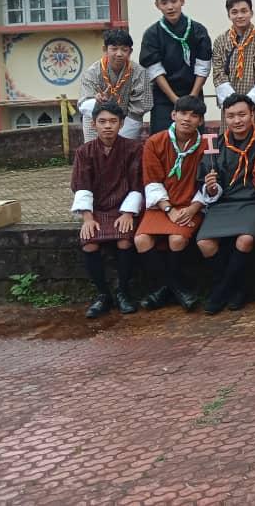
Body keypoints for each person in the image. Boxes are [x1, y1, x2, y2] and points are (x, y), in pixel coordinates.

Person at [195, 94, 255, 315]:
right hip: (224, 202)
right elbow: (209, 186)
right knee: (205, 243)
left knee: (245, 239)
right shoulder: (215, 145)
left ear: (252, 114)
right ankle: (233, 287)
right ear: (224, 118)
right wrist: (211, 187)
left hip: (253, 200)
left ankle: (222, 291)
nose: (237, 120)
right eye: (231, 116)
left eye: (242, 114)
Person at [134, 95, 208, 312]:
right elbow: (152, 180)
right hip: (161, 205)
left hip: (190, 205)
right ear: (173, 115)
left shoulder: (207, 145)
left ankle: (164, 291)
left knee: (177, 239)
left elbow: (209, 182)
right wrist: (168, 208)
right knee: (141, 240)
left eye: (194, 116)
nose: (187, 119)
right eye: (183, 113)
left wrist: (193, 208)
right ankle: (175, 288)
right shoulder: (155, 142)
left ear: (201, 121)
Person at [70, 101, 144, 318]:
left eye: (113, 121)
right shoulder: (84, 152)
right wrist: (87, 218)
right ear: (94, 124)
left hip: (123, 207)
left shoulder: (134, 149)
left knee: (124, 240)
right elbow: (81, 185)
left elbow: (138, 183)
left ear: (121, 123)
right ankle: (103, 294)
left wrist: (128, 213)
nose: (108, 126)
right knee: (89, 242)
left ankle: (123, 291)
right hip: (97, 210)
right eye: (102, 122)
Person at [139, 0, 212, 133]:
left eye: (174, 1)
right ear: (157, 5)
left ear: (182, 1)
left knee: (195, 139)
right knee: (162, 140)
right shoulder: (152, 34)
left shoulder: (198, 30)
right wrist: (176, 101)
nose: (170, 7)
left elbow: (203, 67)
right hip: (164, 96)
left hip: (193, 93)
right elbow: (155, 70)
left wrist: (191, 98)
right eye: (164, 3)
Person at [212, 0, 255, 122]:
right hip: (231, 108)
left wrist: (248, 102)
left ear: (251, 13)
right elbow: (218, 74)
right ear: (228, 15)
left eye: (244, 11)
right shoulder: (220, 41)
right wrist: (234, 103)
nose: (240, 16)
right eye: (234, 12)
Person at [78, 29, 151, 141]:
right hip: (96, 118)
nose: (119, 54)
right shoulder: (92, 72)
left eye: (124, 50)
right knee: (93, 150)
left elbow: (142, 105)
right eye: (114, 49)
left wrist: (118, 122)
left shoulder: (139, 73)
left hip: (127, 120)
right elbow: (84, 104)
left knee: (123, 150)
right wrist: (97, 102)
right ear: (105, 49)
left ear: (130, 51)